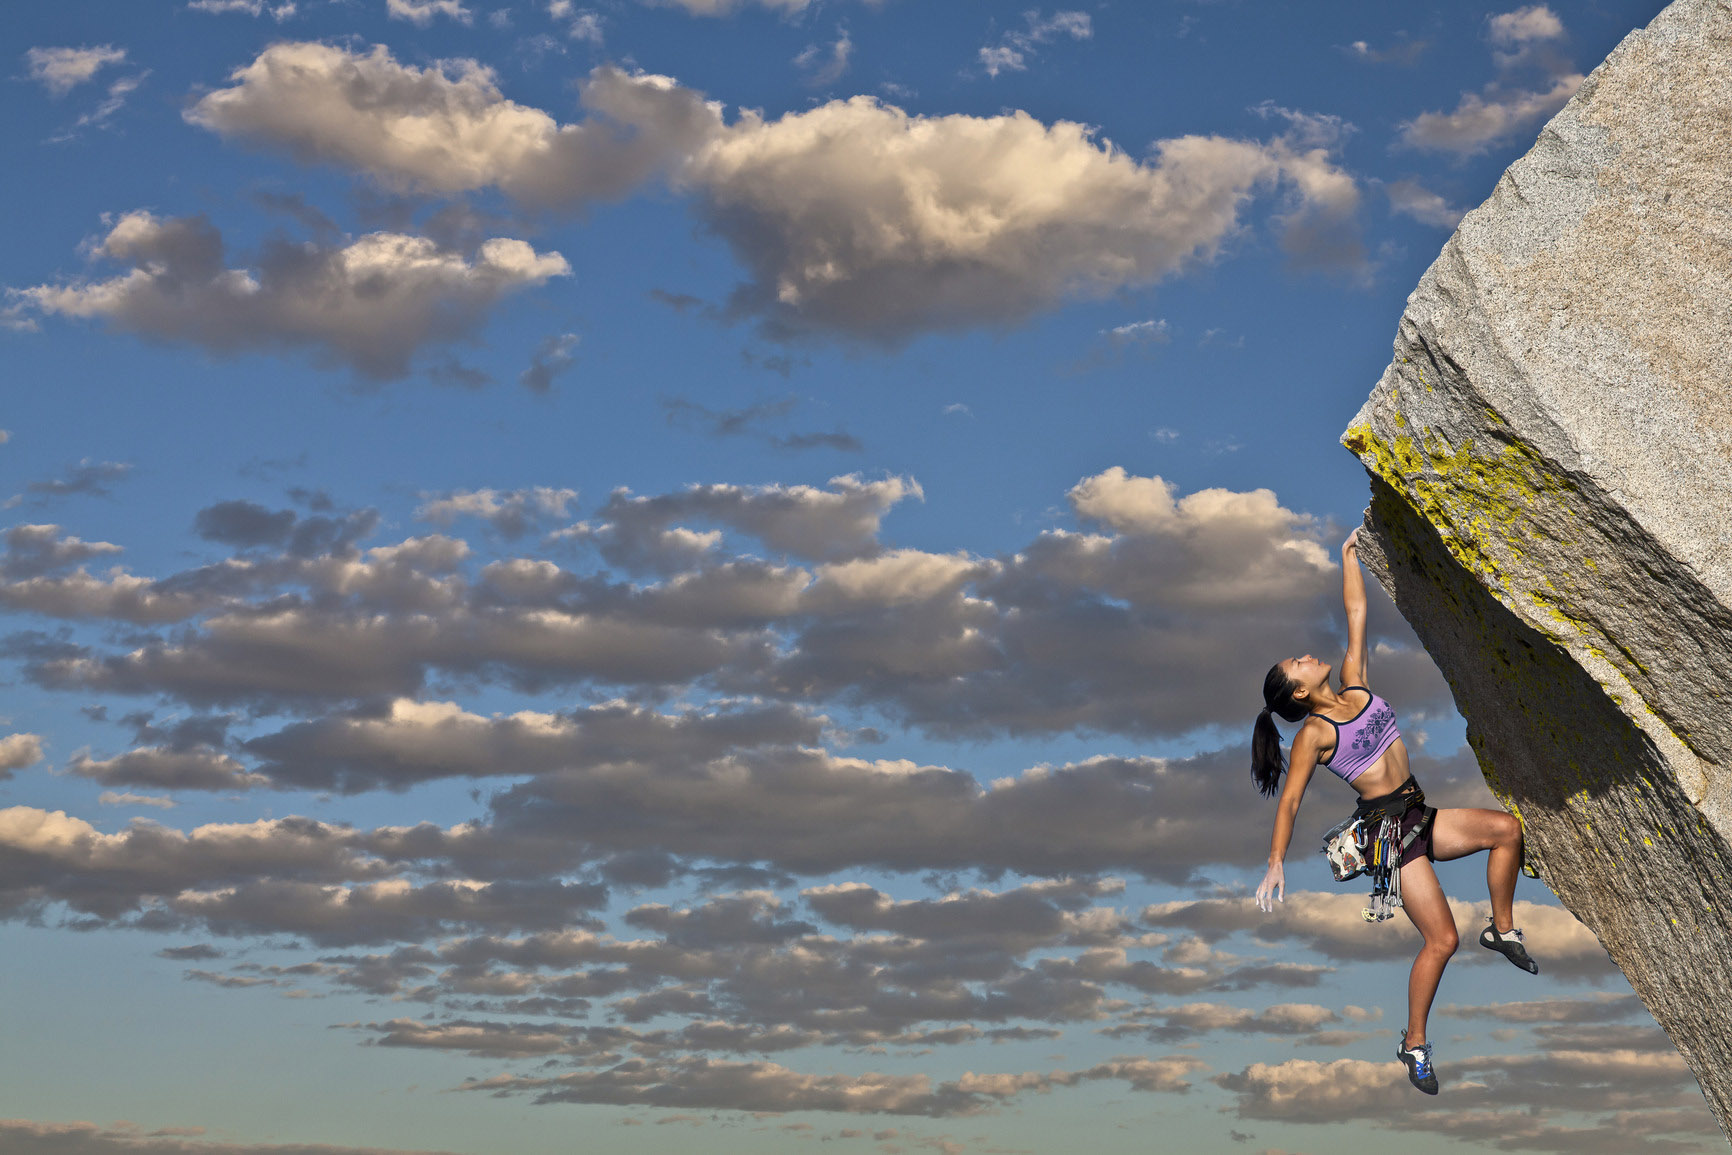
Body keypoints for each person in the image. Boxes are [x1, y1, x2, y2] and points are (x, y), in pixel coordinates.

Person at [1251, 528, 1535, 1095]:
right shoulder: (1314, 734)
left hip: (1419, 811)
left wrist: (1348, 557)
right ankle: (1414, 1043)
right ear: (1300, 692)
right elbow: (1290, 800)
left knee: (1506, 830)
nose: (1309, 656)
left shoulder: (1356, 685)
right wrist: (1275, 861)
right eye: (1298, 663)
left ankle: (1502, 931)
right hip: (1391, 838)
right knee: (1441, 940)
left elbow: (1356, 611)